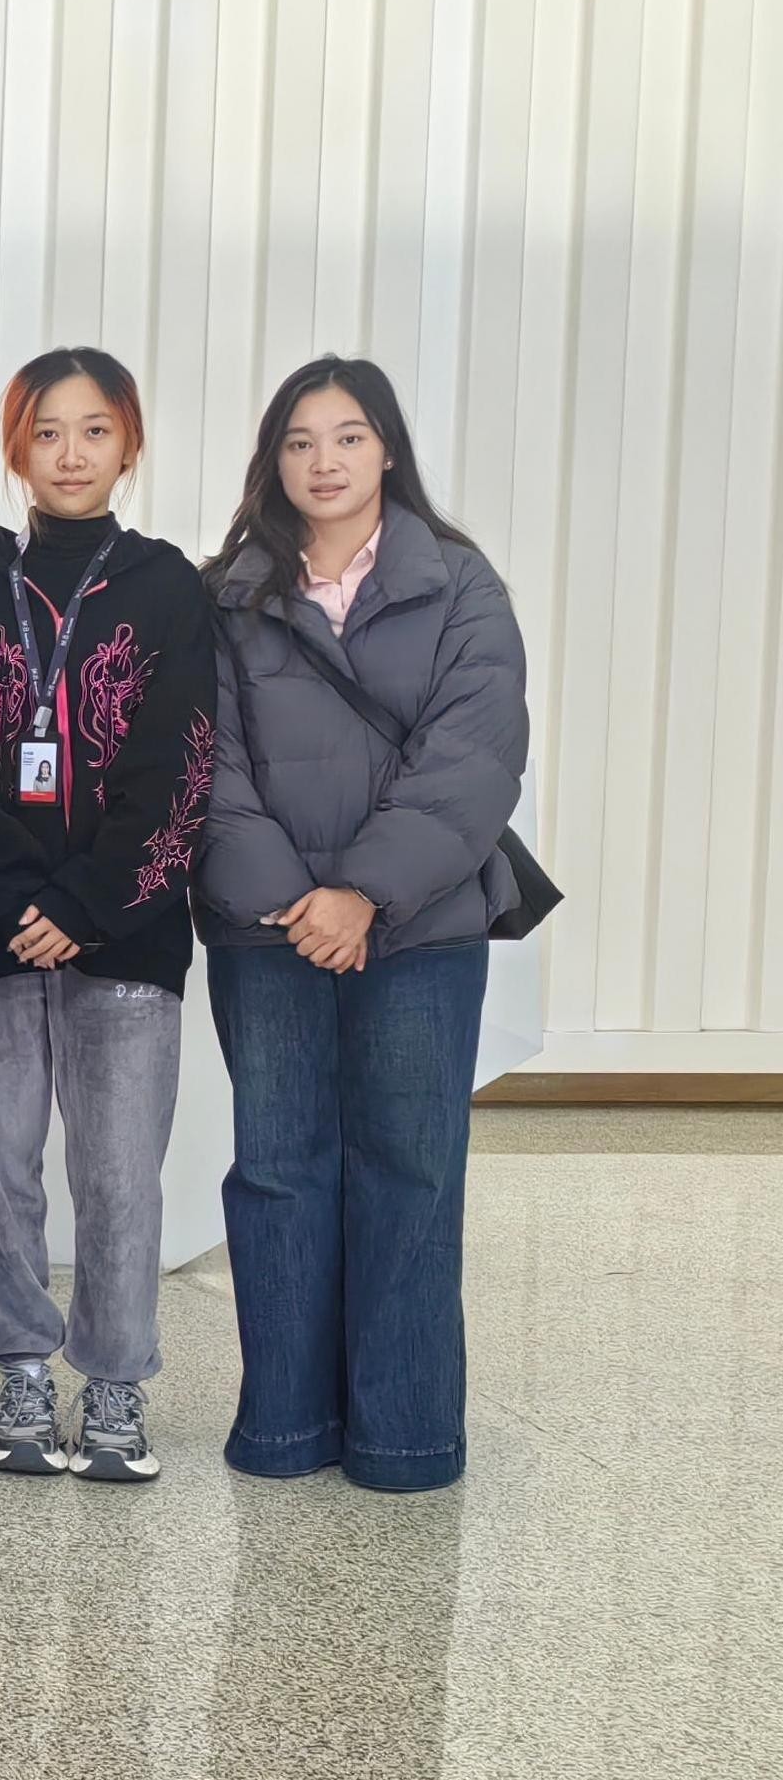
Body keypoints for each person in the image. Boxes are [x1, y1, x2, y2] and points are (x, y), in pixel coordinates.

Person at [198, 356, 529, 1494]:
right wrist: (294, 901)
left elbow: (473, 757)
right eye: (298, 441)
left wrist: (363, 895)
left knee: (408, 1172)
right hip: (267, 928)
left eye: (346, 436)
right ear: (271, 460)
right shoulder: (226, 591)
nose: (323, 461)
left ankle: (404, 1436)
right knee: (277, 1171)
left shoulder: (460, 584)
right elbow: (208, 766)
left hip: (419, 926)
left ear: (386, 448)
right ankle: (283, 1425)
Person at [0, 349, 215, 1484]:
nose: (69, 453)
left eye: (93, 430)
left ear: (127, 443)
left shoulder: (167, 584)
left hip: (126, 924)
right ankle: (20, 1370)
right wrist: (13, 898)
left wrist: (82, 903)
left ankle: (114, 1383)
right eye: (45, 431)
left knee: (117, 1173)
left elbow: (177, 764)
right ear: (15, 446)